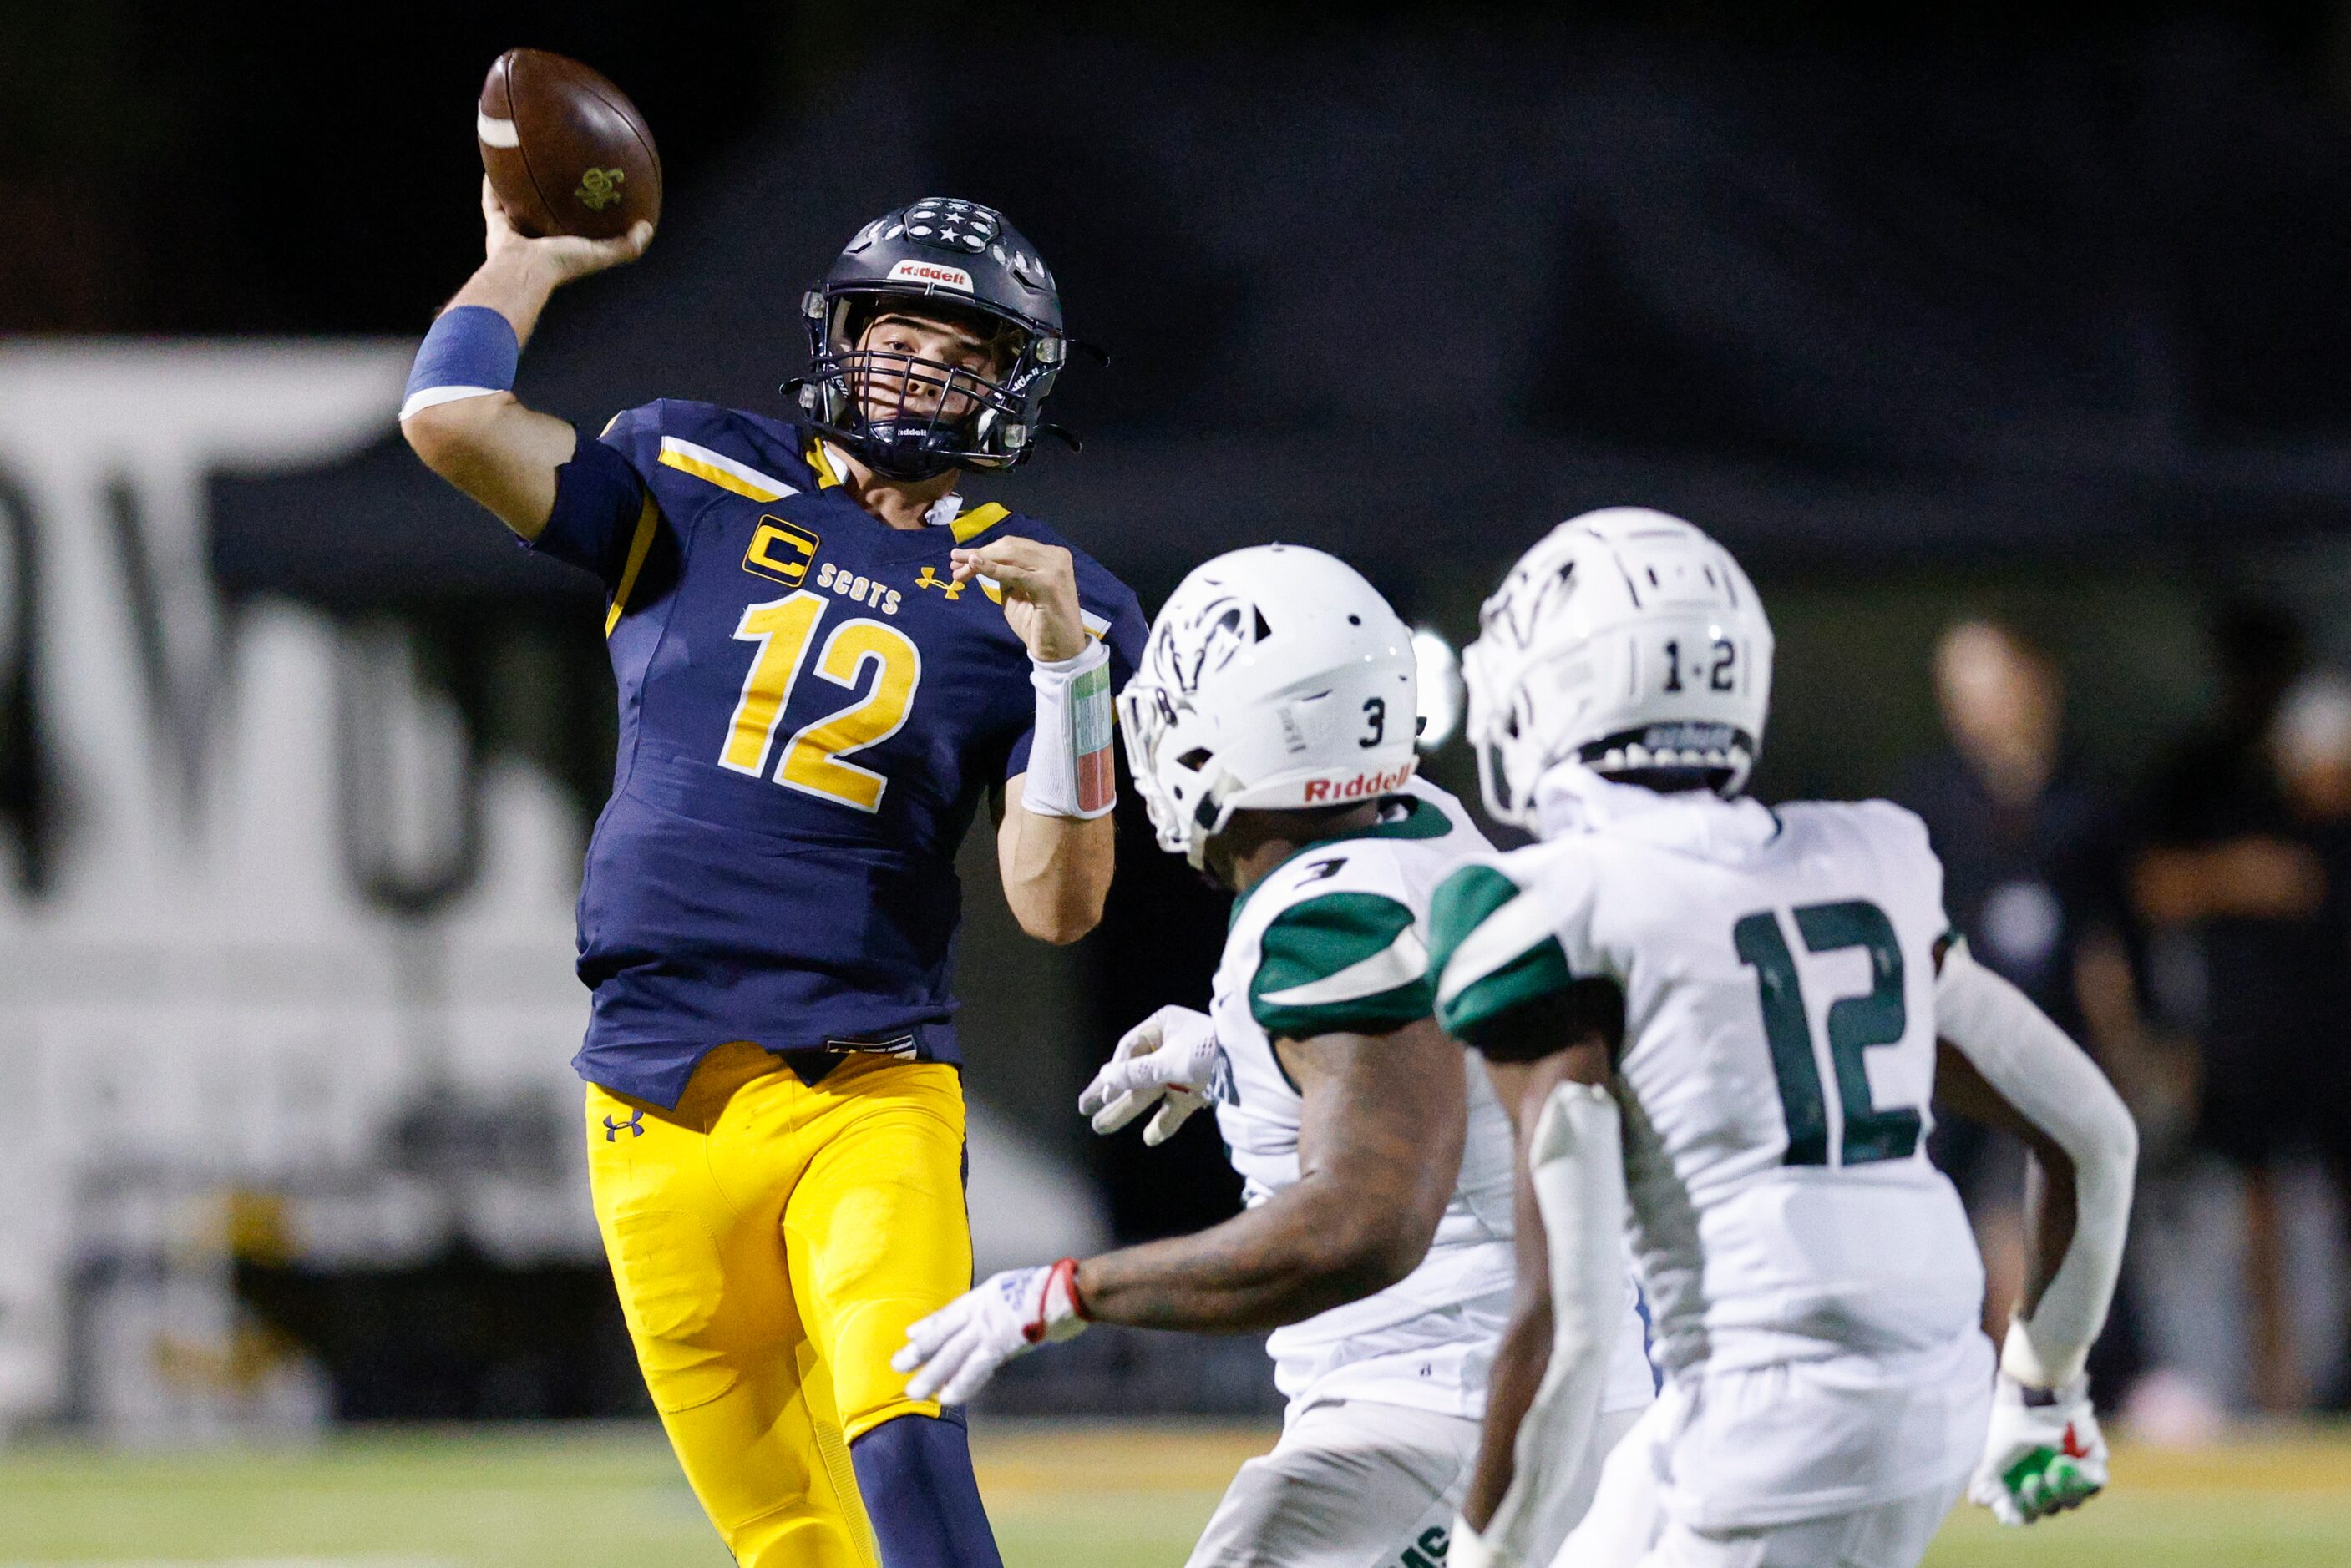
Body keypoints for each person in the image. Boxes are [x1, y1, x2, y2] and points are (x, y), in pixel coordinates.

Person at [399, 185, 1145, 1568]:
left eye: (962, 350)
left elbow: (1059, 904)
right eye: (898, 334)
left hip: (863, 1090)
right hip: (650, 1099)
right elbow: (448, 422)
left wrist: (1067, 670)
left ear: (1012, 389)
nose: (919, 369)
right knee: (791, 1538)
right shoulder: (697, 470)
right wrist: (520, 261)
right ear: (838, 340)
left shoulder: (1052, 596)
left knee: (907, 1442)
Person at [891, 546, 1654, 1568]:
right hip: (1546, 1400)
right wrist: (1242, 1060)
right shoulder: (1428, 829)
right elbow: (1444, 1057)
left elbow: (1361, 1225)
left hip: (1440, 1414)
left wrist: (1070, 1293)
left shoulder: (1328, 917)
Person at [1430, 510, 2137, 1568]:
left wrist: (1483, 1557)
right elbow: (2089, 1132)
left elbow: (1569, 1322)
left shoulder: (1548, 908)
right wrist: (2044, 1387)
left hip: (1761, 1419)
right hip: (1937, 1381)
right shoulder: (1867, 857)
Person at [2131, 606, 2348, 1412]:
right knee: (2256, 1218)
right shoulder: (2203, 774)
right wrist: (2240, 876)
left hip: (2333, 1025)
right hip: (2251, 1032)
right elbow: (2146, 885)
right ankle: (2276, 1387)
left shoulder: (2322, 766)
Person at [1896, 620, 2131, 1352]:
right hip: (1954, 1042)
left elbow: (2108, 942)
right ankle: (1995, 1360)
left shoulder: (2083, 800)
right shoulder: (1926, 802)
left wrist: (2128, 1039)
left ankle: (2057, 1363)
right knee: (1958, 1203)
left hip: (2055, 1032)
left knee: (2057, 1182)